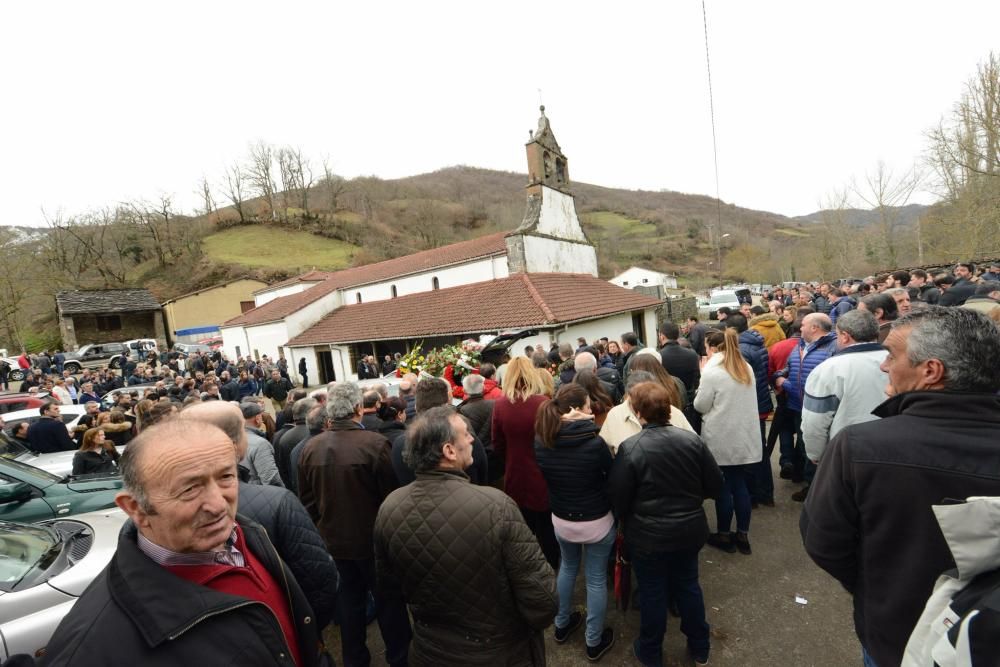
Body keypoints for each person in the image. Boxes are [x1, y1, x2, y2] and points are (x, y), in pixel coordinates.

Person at [801, 307, 1000, 667]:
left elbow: (823, 541)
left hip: (894, 632)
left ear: (931, 371)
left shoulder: (859, 447)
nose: (883, 365)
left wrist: (875, 587)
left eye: (892, 354)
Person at [41, 420, 322, 666]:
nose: (217, 504)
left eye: (226, 476)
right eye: (189, 488)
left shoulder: (249, 534)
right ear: (136, 508)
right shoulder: (94, 648)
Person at [374, 406, 557, 666]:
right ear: (449, 451)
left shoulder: (389, 507)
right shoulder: (496, 505)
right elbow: (542, 600)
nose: (472, 438)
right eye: (465, 434)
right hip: (497, 652)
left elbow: (390, 591)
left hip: (429, 650)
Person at [297, 382, 411, 667]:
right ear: (359, 409)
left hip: (336, 542)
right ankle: (399, 658)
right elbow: (391, 496)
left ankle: (355, 660)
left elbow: (307, 502)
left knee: (350, 603)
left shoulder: (310, 448)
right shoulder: (374, 444)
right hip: (374, 542)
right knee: (388, 603)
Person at [609, 382, 723, 667]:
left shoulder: (630, 447)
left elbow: (618, 498)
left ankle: (650, 651)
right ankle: (700, 646)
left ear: (638, 412)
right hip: (688, 530)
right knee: (688, 585)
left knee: (652, 591)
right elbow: (715, 485)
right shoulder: (691, 441)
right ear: (668, 410)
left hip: (647, 536)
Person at [533, 385, 616, 660]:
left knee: (567, 568)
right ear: (577, 409)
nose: (592, 407)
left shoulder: (542, 440)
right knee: (594, 579)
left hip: (562, 519)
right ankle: (593, 641)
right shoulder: (595, 443)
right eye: (589, 403)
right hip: (596, 520)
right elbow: (611, 476)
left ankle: (561, 623)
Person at [694, 328, 761, 555]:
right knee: (740, 485)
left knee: (723, 488)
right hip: (743, 436)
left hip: (721, 436)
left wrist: (702, 374)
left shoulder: (712, 372)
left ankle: (724, 534)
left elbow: (701, 405)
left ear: (712, 348)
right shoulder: (745, 367)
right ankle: (743, 534)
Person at [492, 356, 559, 569]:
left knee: (523, 530)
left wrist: (510, 460)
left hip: (516, 473)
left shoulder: (501, 405)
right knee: (548, 530)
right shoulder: (543, 403)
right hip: (543, 475)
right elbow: (555, 440)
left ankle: (528, 571)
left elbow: (497, 443)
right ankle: (552, 570)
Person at [801, 310, 888, 466]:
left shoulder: (829, 369)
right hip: (890, 450)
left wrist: (816, 454)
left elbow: (814, 421)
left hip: (846, 454)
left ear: (845, 336)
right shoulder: (896, 361)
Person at [772, 313, 837, 493]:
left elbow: (818, 383)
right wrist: (779, 375)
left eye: (804, 325)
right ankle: (807, 482)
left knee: (814, 451)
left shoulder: (833, 348)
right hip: (796, 407)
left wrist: (785, 383)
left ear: (815, 327)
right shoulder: (801, 345)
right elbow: (791, 367)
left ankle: (814, 490)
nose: (800, 328)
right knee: (804, 447)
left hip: (817, 409)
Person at [391, 377, 488, 485]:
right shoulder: (466, 440)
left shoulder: (399, 444)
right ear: (447, 403)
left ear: (415, 407)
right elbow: (482, 475)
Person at [599, 371, 694, 454]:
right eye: (640, 398)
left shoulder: (673, 412)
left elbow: (693, 443)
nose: (646, 401)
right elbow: (605, 450)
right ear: (629, 395)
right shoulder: (615, 415)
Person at [239, 401, 283, 487]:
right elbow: (271, 479)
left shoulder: (229, 438)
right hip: (258, 492)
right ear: (257, 418)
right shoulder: (260, 444)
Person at [658, 322, 700, 405]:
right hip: (689, 400)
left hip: (669, 401)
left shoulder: (659, 356)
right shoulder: (692, 354)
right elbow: (696, 378)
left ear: (662, 336)